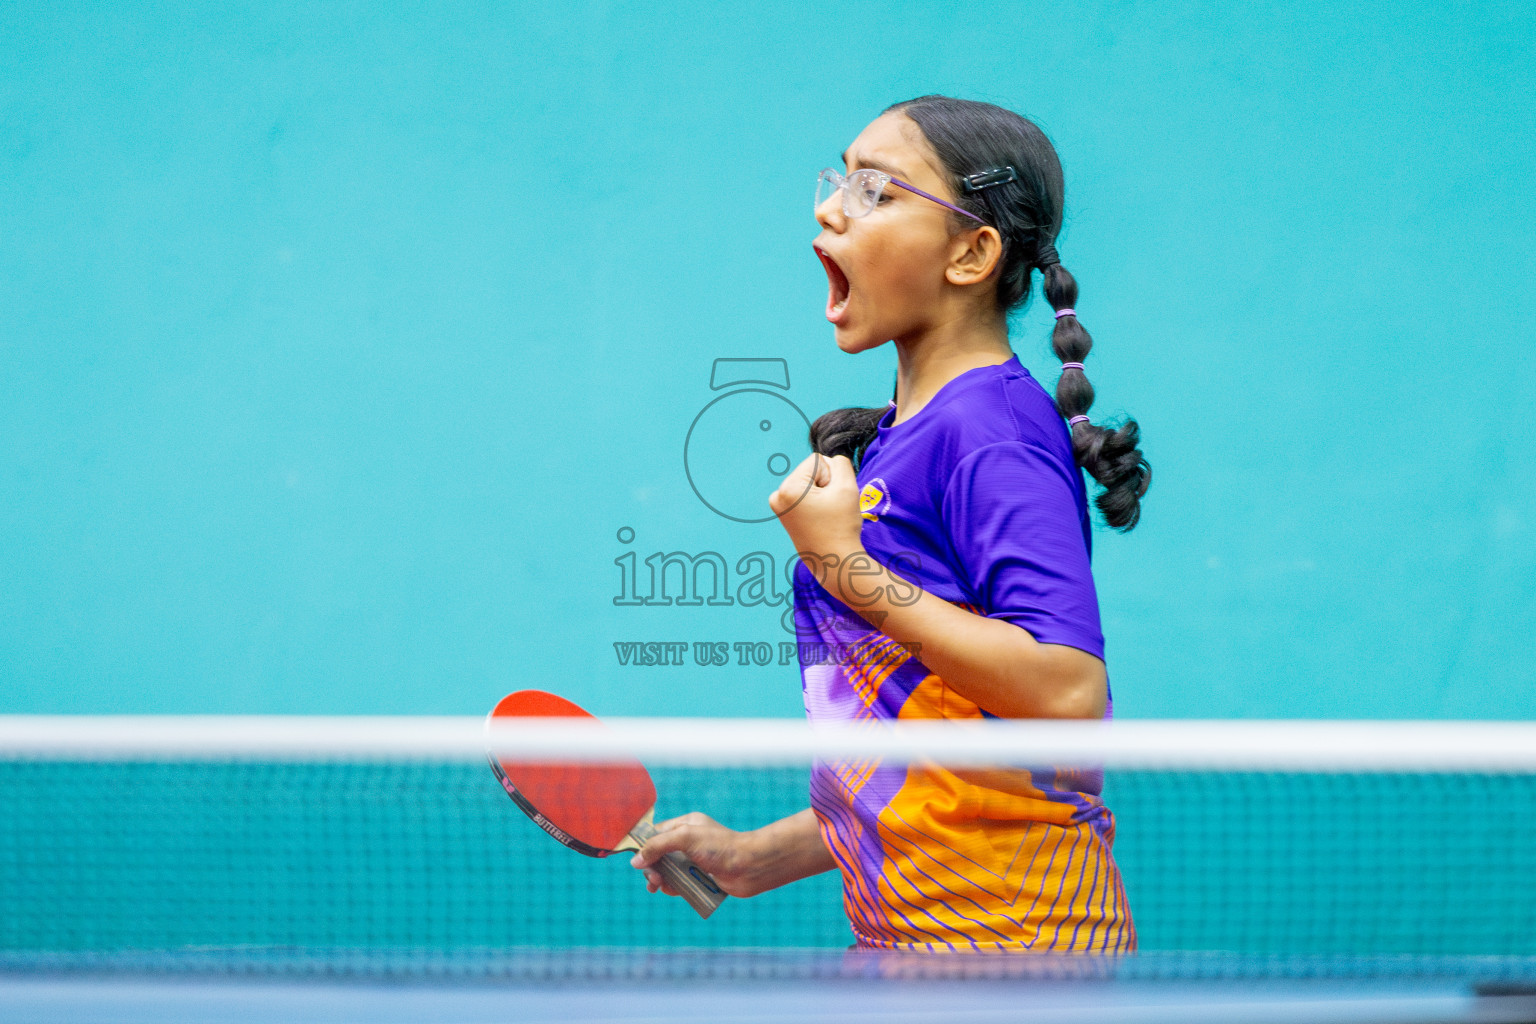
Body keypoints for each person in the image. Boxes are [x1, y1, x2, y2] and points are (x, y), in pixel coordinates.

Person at [632, 95, 1150, 952]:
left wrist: (844, 566)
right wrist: (758, 856)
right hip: (911, 941)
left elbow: (1066, 692)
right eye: (839, 180)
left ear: (971, 252)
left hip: (1013, 947)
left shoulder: (992, 432)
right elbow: (936, 750)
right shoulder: (905, 435)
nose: (830, 208)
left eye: (875, 190)